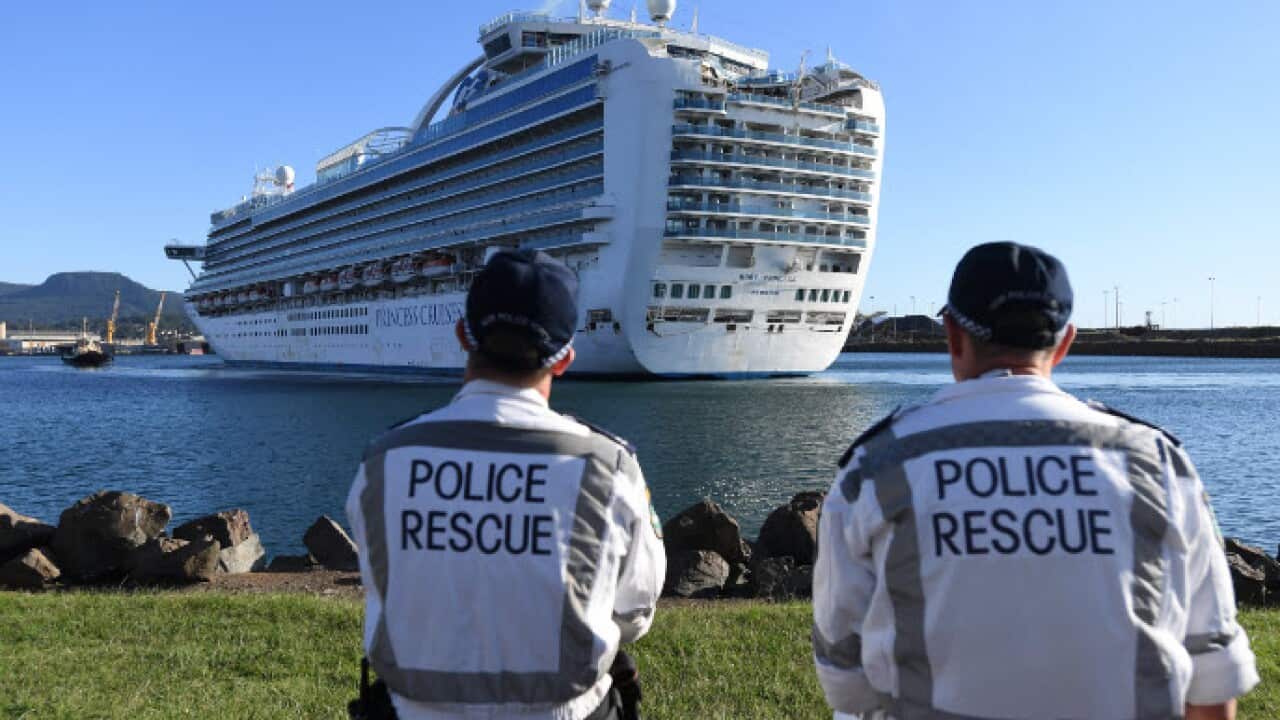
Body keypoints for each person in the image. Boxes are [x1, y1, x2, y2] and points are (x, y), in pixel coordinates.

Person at [812, 242, 1259, 720]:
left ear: (953, 335)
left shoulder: (879, 466)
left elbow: (845, 679)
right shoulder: (1154, 463)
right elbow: (1213, 675)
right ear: (1065, 343)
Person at [346, 249, 665, 720]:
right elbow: (636, 612)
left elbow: (387, 587)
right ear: (564, 361)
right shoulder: (609, 467)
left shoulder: (385, 460)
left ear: (462, 336)